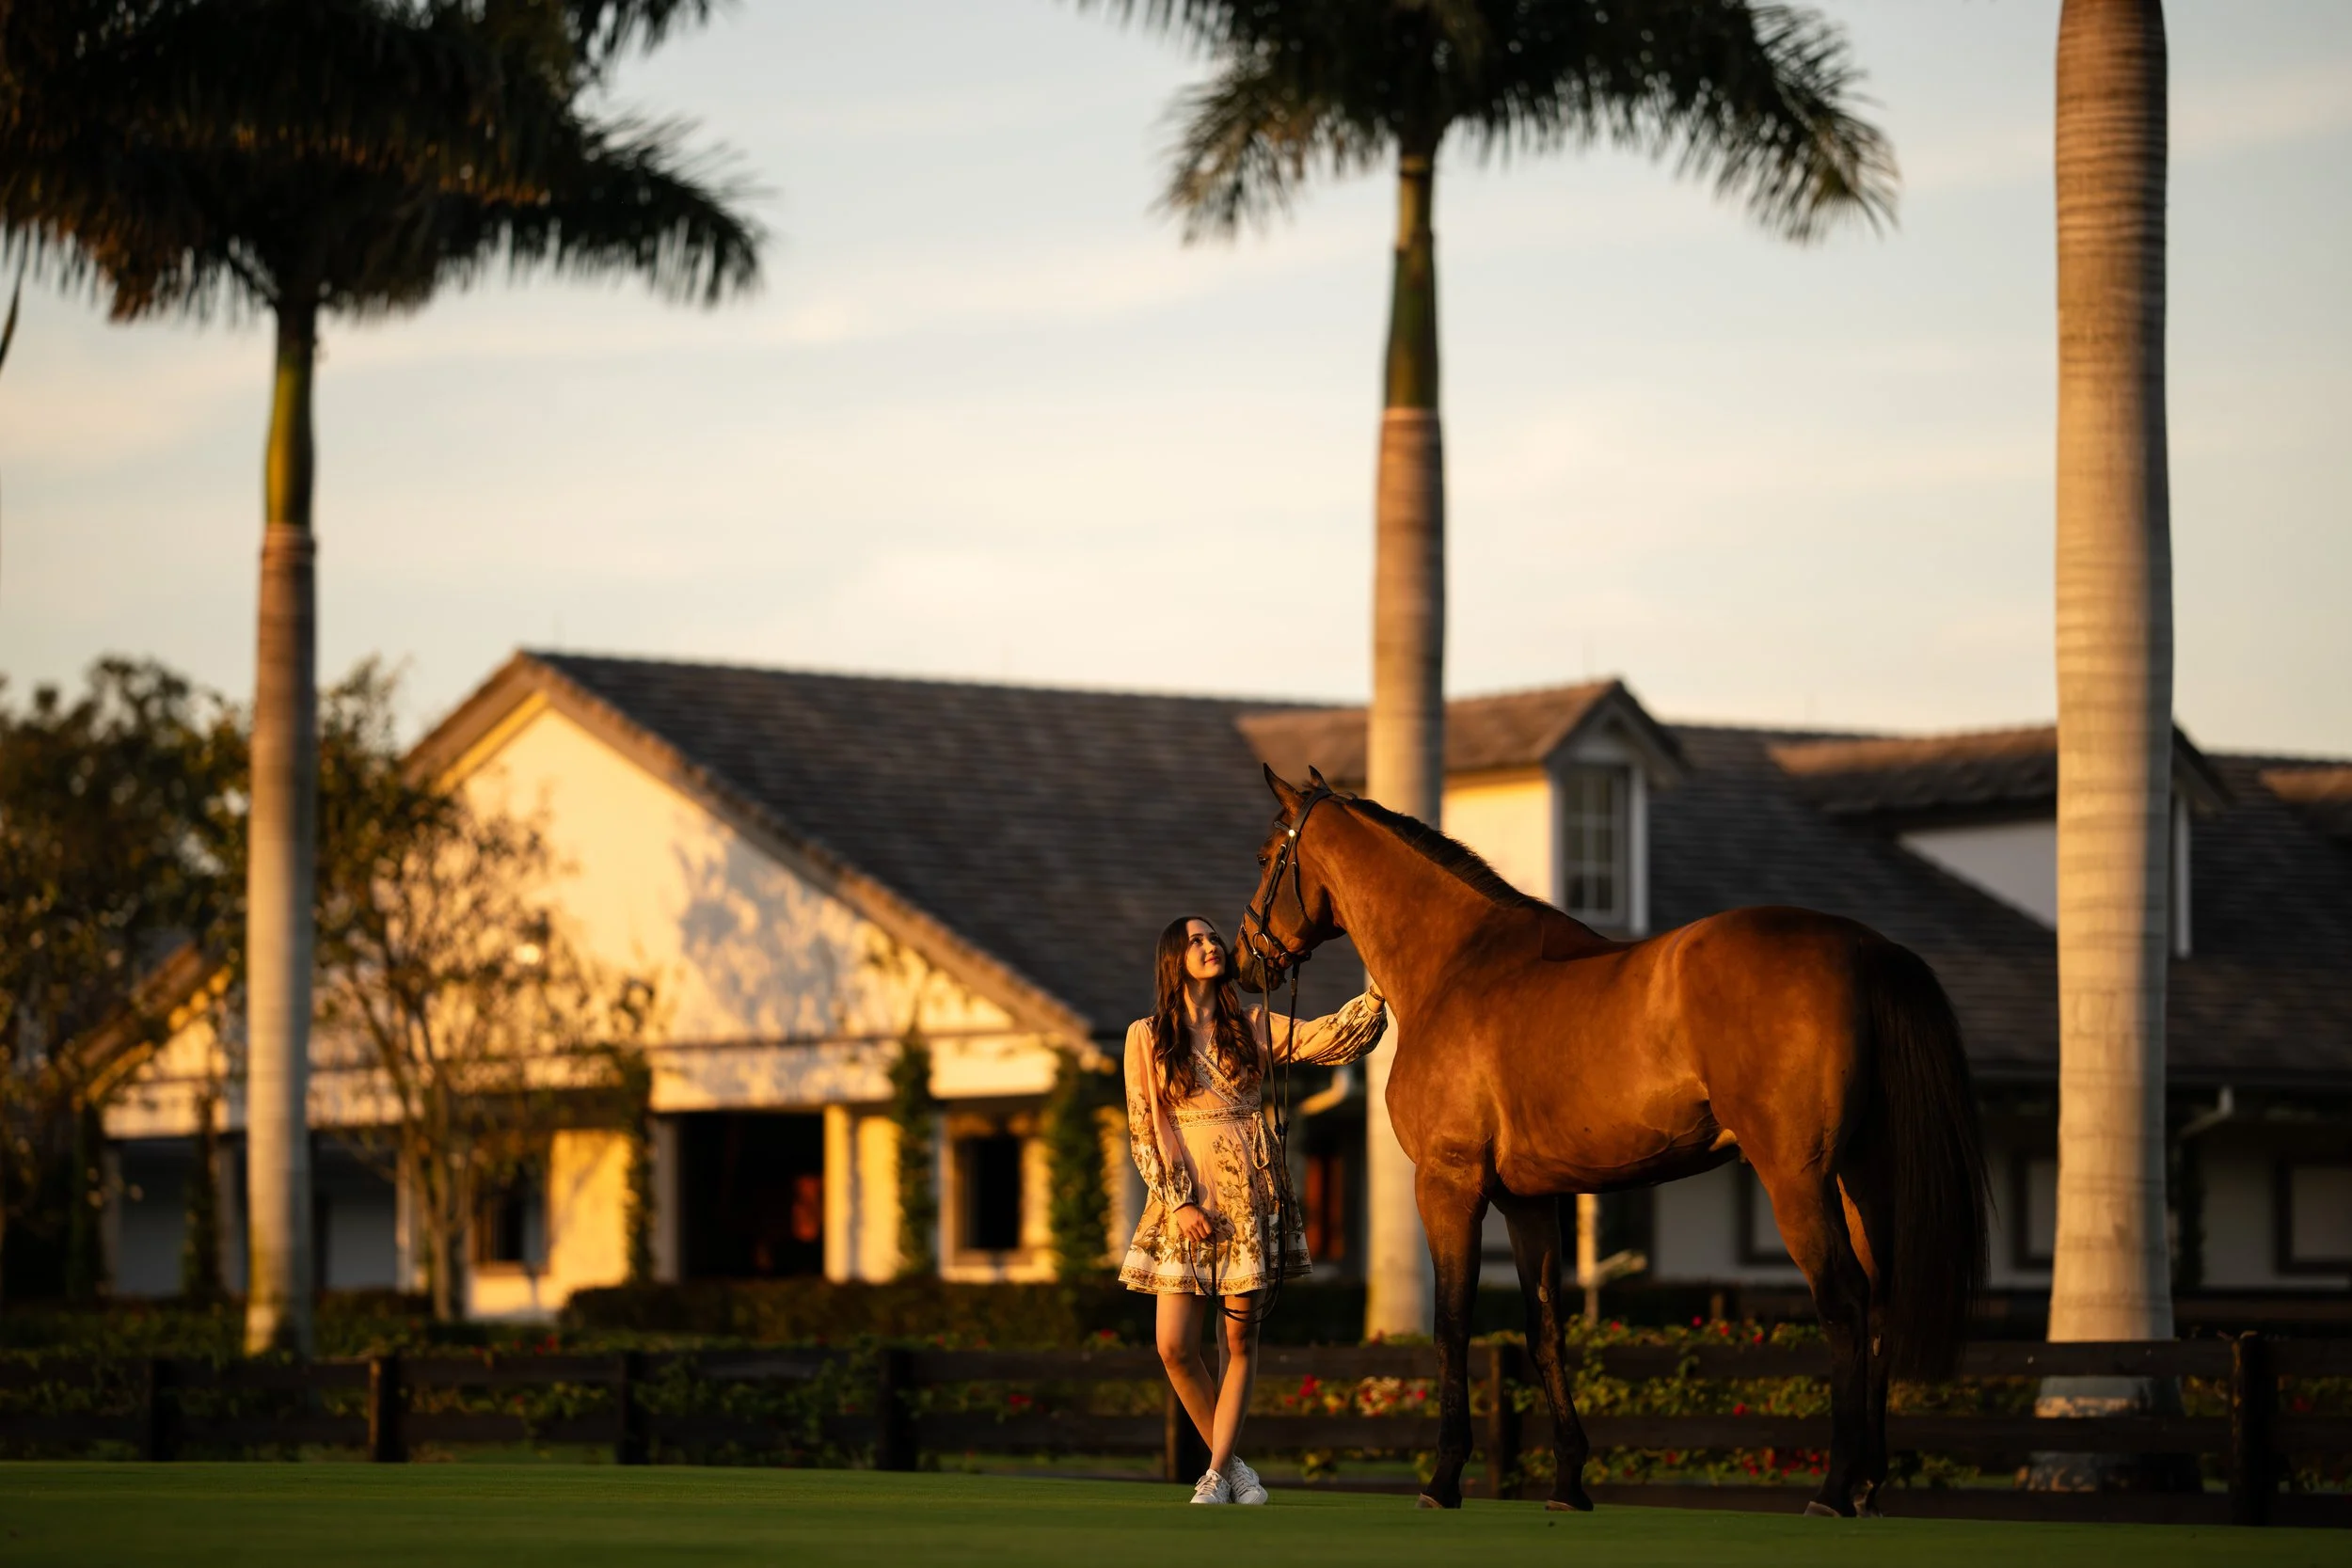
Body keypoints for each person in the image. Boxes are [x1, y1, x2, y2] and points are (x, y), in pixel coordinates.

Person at [1119, 914, 1389, 1505]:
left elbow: (1325, 1038)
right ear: (1174, 958)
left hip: (1249, 1192)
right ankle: (1236, 1467)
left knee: (1237, 1343)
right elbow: (1145, 1125)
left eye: (1214, 938)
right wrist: (1179, 1200)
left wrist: (1374, 995)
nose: (1212, 946)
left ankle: (1214, 1476)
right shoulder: (1147, 1035)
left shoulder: (1252, 1024)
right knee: (1173, 1347)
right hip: (1183, 1200)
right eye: (1196, 941)